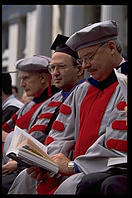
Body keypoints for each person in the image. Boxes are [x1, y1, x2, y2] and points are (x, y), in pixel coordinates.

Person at [8, 20, 127, 195]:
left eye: (89, 57)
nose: (85, 66)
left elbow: (117, 144)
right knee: (26, 178)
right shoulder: (82, 90)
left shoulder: (125, 84)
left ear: (111, 48)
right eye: (81, 59)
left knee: (70, 186)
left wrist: (73, 166)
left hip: (105, 168)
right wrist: (46, 163)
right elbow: (61, 136)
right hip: (73, 165)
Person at [5, 34, 84, 194]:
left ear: (79, 69)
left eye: (61, 67)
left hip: (72, 166)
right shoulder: (50, 101)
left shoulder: (85, 95)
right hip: (46, 163)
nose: (55, 73)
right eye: (52, 68)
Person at [2, 55, 60, 194]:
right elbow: (6, 128)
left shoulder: (53, 103)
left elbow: (35, 139)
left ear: (43, 78)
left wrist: (16, 161)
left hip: (27, 166)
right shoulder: (29, 106)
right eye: (21, 79)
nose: (22, 84)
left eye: (26, 78)